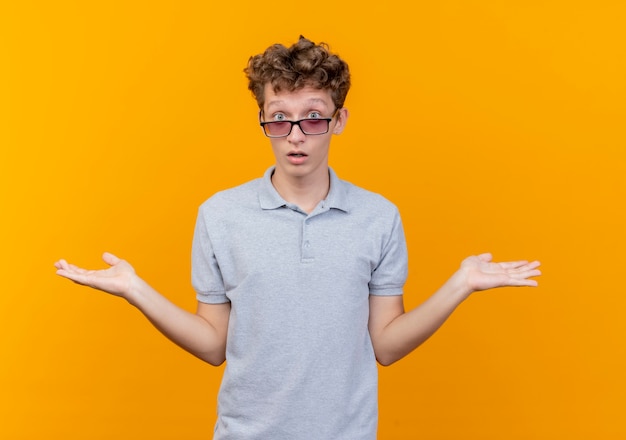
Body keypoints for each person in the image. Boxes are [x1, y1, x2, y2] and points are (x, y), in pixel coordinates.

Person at [54, 36, 541, 440]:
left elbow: (387, 346)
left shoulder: (378, 217)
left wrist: (461, 283)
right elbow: (212, 345)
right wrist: (135, 289)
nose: (295, 135)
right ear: (263, 120)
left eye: (312, 116)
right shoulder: (220, 215)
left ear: (338, 121)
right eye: (278, 116)